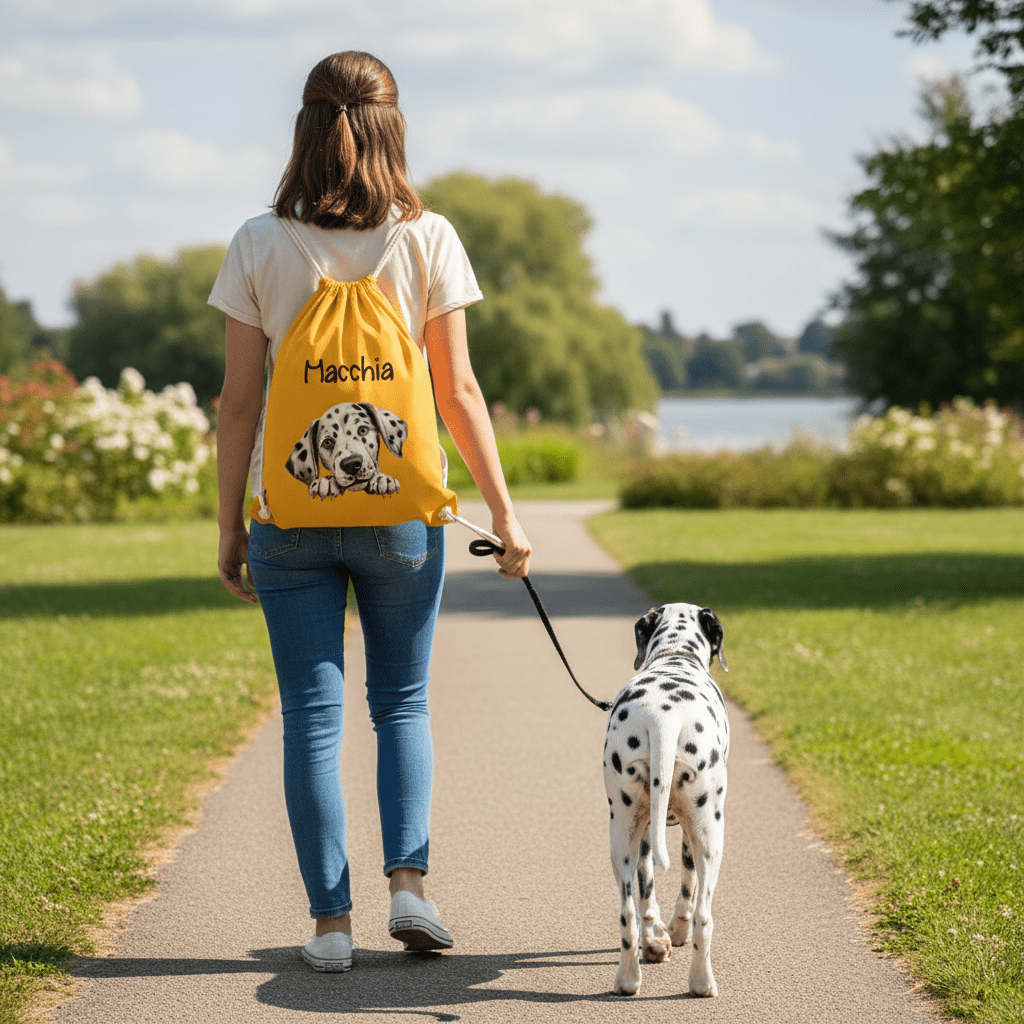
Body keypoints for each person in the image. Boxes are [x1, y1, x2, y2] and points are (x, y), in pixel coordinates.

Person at [209, 50, 531, 973]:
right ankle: (411, 890)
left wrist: (230, 525)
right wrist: (505, 514)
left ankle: (330, 927)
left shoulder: (258, 242)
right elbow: (457, 389)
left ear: (305, 128)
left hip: (287, 519)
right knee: (401, 704)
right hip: (402, 518)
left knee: (312, 719)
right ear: (393, 129)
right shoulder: (428, 238)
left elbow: (239, 403)